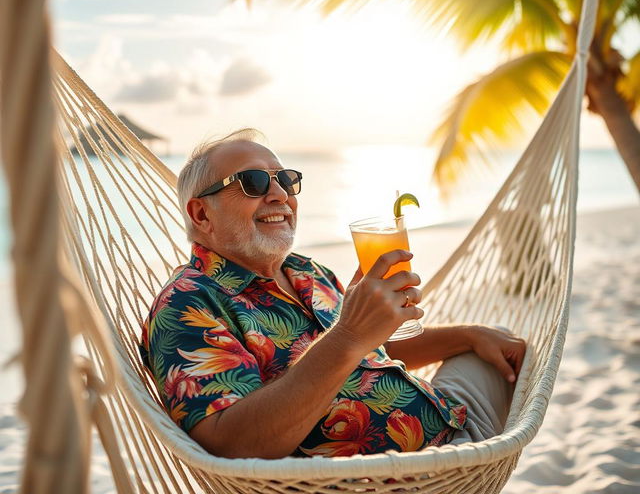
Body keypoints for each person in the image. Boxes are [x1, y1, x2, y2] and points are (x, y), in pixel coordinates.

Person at [140, 129, 526, 459]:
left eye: (285, 180)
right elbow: (232, 442)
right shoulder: (187, 304)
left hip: (452, 421)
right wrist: (348, 334)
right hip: (415, 472)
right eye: (254, 182)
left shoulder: (308, 272)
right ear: (201, 215)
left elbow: (373, 354)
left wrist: (468, 335)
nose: (280, 195)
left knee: (500, 342)